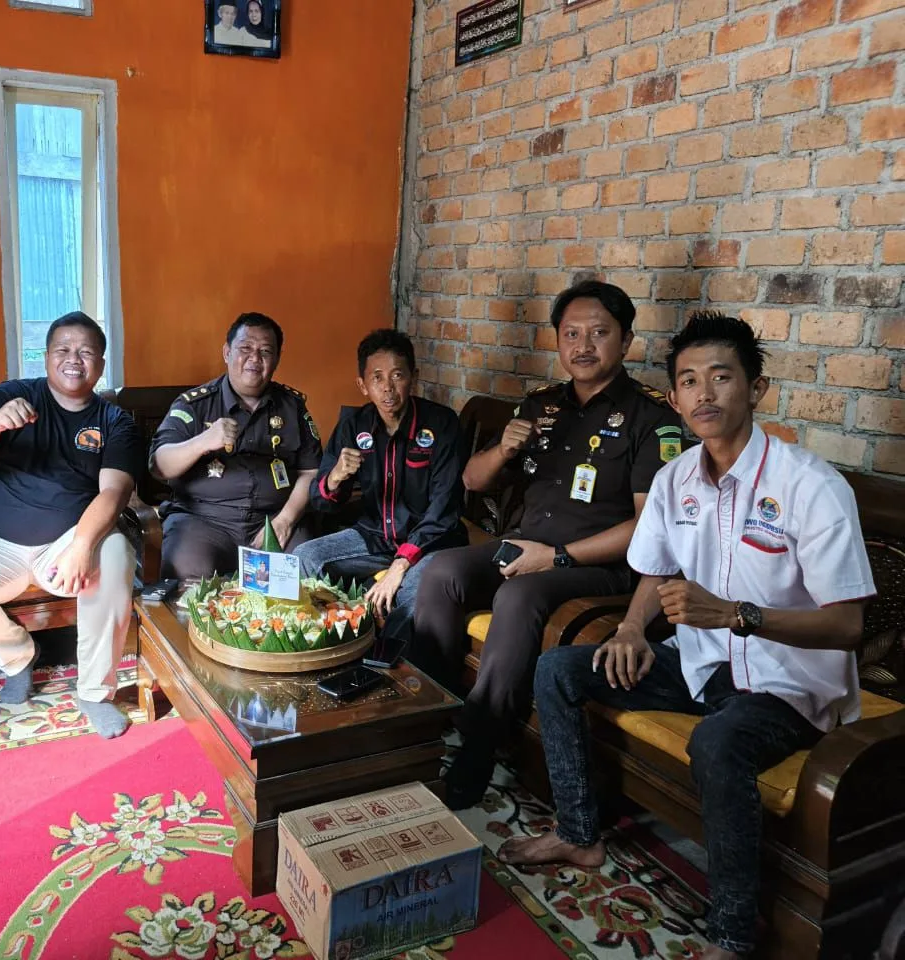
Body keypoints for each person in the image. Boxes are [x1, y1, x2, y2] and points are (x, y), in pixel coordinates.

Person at [498, 312, 875, 960]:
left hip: (786, 684)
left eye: (722, 377)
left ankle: (732, 935)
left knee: (717, 743)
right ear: (674, 398)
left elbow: (847, 625)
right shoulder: (675, 480)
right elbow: (656, 569)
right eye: (690, 381)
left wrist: (737, 615)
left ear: (756, 388)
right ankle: (580, 835)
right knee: (558, 670)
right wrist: (631, 629)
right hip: (700, 665)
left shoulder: (811, 486)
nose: (705, 394)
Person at [413, 280, 684, 809]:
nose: (583, 346)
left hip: (598, 564)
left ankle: (478, 746)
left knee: (518, 595)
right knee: (442, 570)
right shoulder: (540, 405)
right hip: (525, 545)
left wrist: (556, 557)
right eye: (571, 334)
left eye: (599, 333)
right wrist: (502, 451)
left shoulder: (652, 419)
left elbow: (649, 527)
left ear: (626, 341)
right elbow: (471, 480)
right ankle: (428, 713)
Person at [0, 312, 141, 739]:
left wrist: (82, 546)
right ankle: (18, 655)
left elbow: (114, 492)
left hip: (63, 543)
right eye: (63, 349)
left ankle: (95, 693)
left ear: (101, 363)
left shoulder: (114, 422)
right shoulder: (10, 395)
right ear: (46, 355)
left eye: (86, 352)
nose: (74, 359)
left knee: (115, 554)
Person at [296, 329, 465, 639]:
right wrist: (336, 477)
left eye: (397, 375)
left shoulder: (441, 424)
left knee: (414, 591)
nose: (388, 387)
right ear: (363, 385)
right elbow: (320, 499)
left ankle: (390, 660)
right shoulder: (354, 425)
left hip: (430, 543)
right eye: (377, 378)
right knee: (305, 558)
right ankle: (332, 641)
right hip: (375, 537)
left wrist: (400, 565)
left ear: (413, 378)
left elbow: (444, 509)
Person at [149, 312, 322, 580]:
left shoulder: (292, 407)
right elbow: (160, 465)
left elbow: (311, 472)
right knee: (188, 575)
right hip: (204, 521)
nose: (255, 358)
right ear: (227, 353)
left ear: (276, 359)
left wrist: (285, 520)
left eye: (265, 352)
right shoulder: (194, 404)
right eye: (245, 349)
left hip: (273, 519)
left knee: (305, 572)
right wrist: (203, 442)